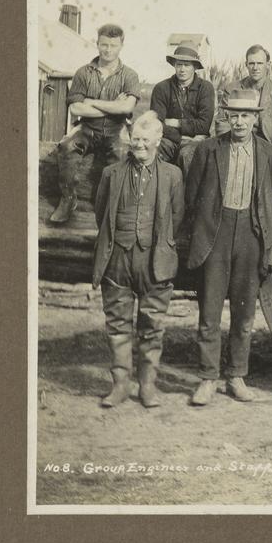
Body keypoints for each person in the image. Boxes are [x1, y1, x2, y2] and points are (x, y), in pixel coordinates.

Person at [184, 89, 272, 405]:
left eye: (246, 116)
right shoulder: (208, 150)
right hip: (216, 233)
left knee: (244, 312)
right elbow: (192, 196)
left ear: (255, 119)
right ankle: (207, 378)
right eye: (234, 115)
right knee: (210, 310)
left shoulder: (269, 154)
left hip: (251, 235)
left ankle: (237, 376)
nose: (239, 122)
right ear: (226, 116)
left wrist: (266, 238)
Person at [91, 111, 184, 409]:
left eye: (146, 140)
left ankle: (147, 386)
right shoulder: (112, 173)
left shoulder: (172, 175)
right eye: (135, 140)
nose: (140, 145)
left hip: (154, 259)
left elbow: (176, 217)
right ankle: (120, 385)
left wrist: (159, 244)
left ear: (158, 140)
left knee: (152, 323)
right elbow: (101, 213)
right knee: (117, 323)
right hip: (118, 257)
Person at [50, 23, 140, 224]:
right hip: (87, 128)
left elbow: (126, 109)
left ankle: (114, 207)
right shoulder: (84, 73)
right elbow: (76, 109)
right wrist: (113, 105)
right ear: (97, 43)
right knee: (66, 146)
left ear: (121, 46)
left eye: (113, 46)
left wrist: (92, 102)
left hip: (117, 128)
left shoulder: (129, 75)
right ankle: (68, 200)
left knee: (124, 153)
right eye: (104, 45)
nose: (108, 50)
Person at [215, 44, 272, 157]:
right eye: (252, 63)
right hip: (237, 145)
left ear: (268, 65)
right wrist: (231, 147)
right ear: (246, 65)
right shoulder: (232, 89)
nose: (255, 68)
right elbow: (222, 122)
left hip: (269, 146)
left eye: (260, 63)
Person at [149, 45, 215, 174]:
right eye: (179, 64)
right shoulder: (162, 88)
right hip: (167, 139)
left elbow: (204, 126)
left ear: (195, 67)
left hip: (197, 140)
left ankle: (187, 194)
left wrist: (176, 122)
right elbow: (157, 124)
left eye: (187, 65)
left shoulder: (205, 88)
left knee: (187, 156)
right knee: (153, 152)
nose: (182, 69)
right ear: (174, 65)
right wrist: (181, 138)